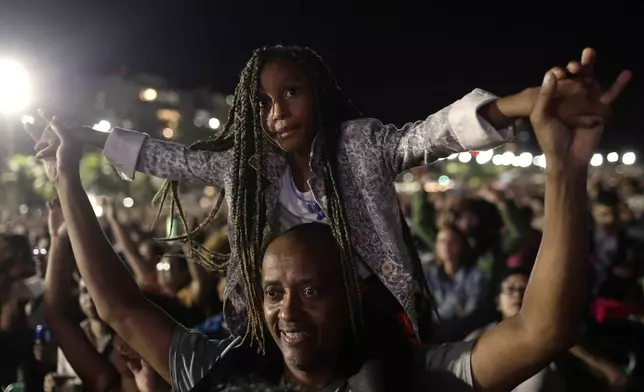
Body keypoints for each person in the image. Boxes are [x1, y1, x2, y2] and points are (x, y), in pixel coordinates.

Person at [27, 52, 632, 390]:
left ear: (317, 93)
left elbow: (433, 134)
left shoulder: (360, 146)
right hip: (265, 339)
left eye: (291, 92)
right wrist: (79, 142)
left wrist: (531, 102)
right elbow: (171, 161)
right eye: (261, 102)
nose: (276, 111)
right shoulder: (247, 170)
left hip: (367, 325)